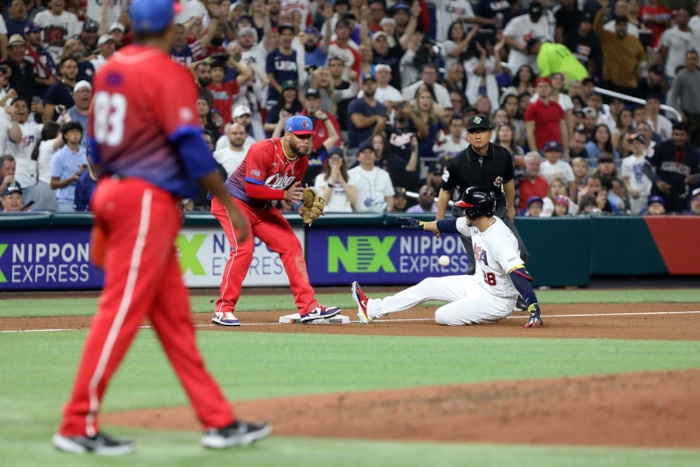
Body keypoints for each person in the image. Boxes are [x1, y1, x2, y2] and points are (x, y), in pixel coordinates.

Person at [52, 0, 270, 455]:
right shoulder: (166, 72)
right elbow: (190, 147)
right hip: (144, 201)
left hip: (116, 190)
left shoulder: (110, 68)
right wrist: (229, 203)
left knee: (174, 323)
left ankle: (219, 421)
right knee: (119, 313)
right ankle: (76, 424)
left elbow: (95, 148)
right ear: (170, 27)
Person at [212, 115, 341, 326]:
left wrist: (300, 208)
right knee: (243, 250)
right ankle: (223, 310)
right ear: (287, 135)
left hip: (261, 208)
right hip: (233, 201)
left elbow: (292, 195)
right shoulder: (263, 150)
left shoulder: (302, 161)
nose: (306, 141)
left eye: (308, 136)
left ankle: (309, 307)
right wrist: (284, 196)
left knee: (291, 245)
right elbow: (253, 189)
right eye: (300, 137)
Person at [351, 186, 544, 327]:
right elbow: (450, 225)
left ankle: (474, 313)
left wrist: (533, 307)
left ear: (477, 209)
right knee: (428, 284)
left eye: (466, 207)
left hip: (497, 299)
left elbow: (518, 273)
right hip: (478, 284)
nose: (463, 210)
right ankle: (373, 308)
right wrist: (421, 225)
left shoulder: (499, 238)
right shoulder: (474, 224)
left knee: (442, 316)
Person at [437, 114, 529, 279]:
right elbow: (445, 191)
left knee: (519, 251)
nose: (478, 135)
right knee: (481, 260)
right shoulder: (457, 162)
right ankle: (473, 295)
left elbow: (508, 182)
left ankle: (513, 293)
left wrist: (511, 207)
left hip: (496, 209)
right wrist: (439, 220)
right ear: (468, 136)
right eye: (473, 132)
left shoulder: (503, 155)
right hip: (468, 214)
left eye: (482, 131)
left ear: (491, 134)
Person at [643, 121, 700, 213]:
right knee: (656, 212)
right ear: (672, 134)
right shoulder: (661, 147)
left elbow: (698, 175)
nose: (678, 138)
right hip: (659, 193)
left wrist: (693, 179)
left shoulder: (694, 153)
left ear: (688, 136)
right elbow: (646, 167)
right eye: (676, 134)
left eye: (682, 135)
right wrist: (657, 181)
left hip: (680, 195)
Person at [348, 140, 395, 213]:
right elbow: (349, 200)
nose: (367, 155)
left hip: (381, 216)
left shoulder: (384, 174)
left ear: (375, 156)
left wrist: (387, 213)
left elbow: (389, 197)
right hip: (359, 216)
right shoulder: (350, 174)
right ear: (358, 157)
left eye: (370, 152)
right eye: (364, 152)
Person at [49, 121, 87, 212]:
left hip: (85, 201)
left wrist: (88, 172)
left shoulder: (87, 154)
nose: (75, 134)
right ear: (65, 135)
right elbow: (53, 184)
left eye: (78, 132)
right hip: (66, 202)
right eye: (72, 132)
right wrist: (71, 179)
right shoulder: (58, 157)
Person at [524, 77, 567, 153]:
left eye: (546, 86)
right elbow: (530, 132)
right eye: (540, 86)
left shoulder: (557, 106)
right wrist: (534, 152)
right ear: (536, 89)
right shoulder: (532, 108)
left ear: (550, 88)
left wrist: (566, 150)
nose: (543, 89)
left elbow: (563, 129)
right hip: (541, 149)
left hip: (558, 148)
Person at [667, 50, 700, 147]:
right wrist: (679, 112)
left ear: (697, 60)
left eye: (694, 59)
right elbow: (673, 96)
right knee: (689, 142)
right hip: (688, 114)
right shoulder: (681, 76)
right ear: (685, 61)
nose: (691, 62)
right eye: (689, 59)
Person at [314, 146, 356, 213]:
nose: (335, 160)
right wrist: (332, 180)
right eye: (332, 158)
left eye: (338, 157)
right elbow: (323, 202)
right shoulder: (320, 178)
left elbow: (353, 201)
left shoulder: (350, 177)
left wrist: (342, 181)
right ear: (328, 160)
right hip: (328, 214)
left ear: (342, 160)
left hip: (346, 214)